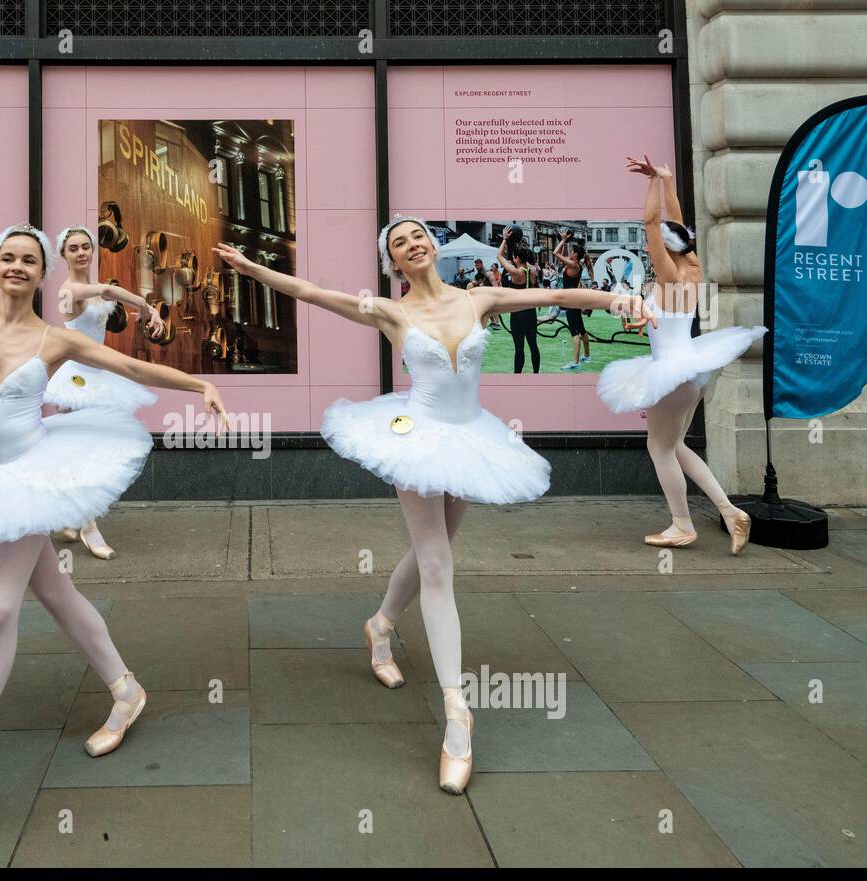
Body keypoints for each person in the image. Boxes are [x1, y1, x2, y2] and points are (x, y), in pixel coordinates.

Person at [212, 216, 639, 794]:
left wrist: (619, 297)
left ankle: (380, 624)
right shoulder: (394, 312)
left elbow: (558, 292)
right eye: (398, 243)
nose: (411, 245)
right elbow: (313, 294)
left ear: (432, 245)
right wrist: (251, 268)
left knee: (432, 552)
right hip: (415, 435)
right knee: (438, 567)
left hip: (472, 441)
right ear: (392, 261)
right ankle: (457, 716)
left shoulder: (480, 297)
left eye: (417, 236)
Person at [0, 222, 229, 865]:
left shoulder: (55, 338)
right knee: (56, 593)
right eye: (7, 257)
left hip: (34, 475)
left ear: (42, 274)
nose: (16, 265)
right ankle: (125, 689)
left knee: (1, 611)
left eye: (28, 260)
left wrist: (199, 384)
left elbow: (127, 363)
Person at [598, 157, 765, 555]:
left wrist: (651, 187)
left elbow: (653, 224)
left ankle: (681, 525)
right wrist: (665, 178)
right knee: (674, 446)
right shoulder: (692, 265)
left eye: (654, 244)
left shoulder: (669, 274)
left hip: (672, 372)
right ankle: (730, 512)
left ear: (663, 250)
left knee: (659, 449)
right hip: (690, 368)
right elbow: (674, 224)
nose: (648, 245)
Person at [44, 224, 165, 560]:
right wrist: (147, 306)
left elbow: (106, 302)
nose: (82, 253)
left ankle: (70, 517)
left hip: (99, 375)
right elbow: (110, 293)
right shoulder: (69, 291)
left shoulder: (92, 289)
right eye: (74, 249)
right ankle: (87, 526)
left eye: (86, 247)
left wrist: (145, 312)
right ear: (64, 255)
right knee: (84, 453)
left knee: (89, 451)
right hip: (76, 380)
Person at [497, 237, 542, 374]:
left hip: (517, 314)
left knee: (519, 349)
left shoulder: (516, 272)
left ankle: (518, 377)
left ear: (516, 258)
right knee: (533, 346)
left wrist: (504, 239)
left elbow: (499, 256)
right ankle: (536, 375)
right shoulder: (532, 270)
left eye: (513, 257)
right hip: (530, 312)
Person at [554, 231, 596, 370]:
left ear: (576, 254)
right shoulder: (577, 265)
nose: (570, 253)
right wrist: (564, 241)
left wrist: (563, 240)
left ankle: (576, 362)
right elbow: (562, 252)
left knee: (574, 333)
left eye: (572, 251)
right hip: (574, 301)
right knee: (582, 330)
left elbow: (555, 253)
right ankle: (587, 355)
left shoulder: (573, 265)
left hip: (571, 301)